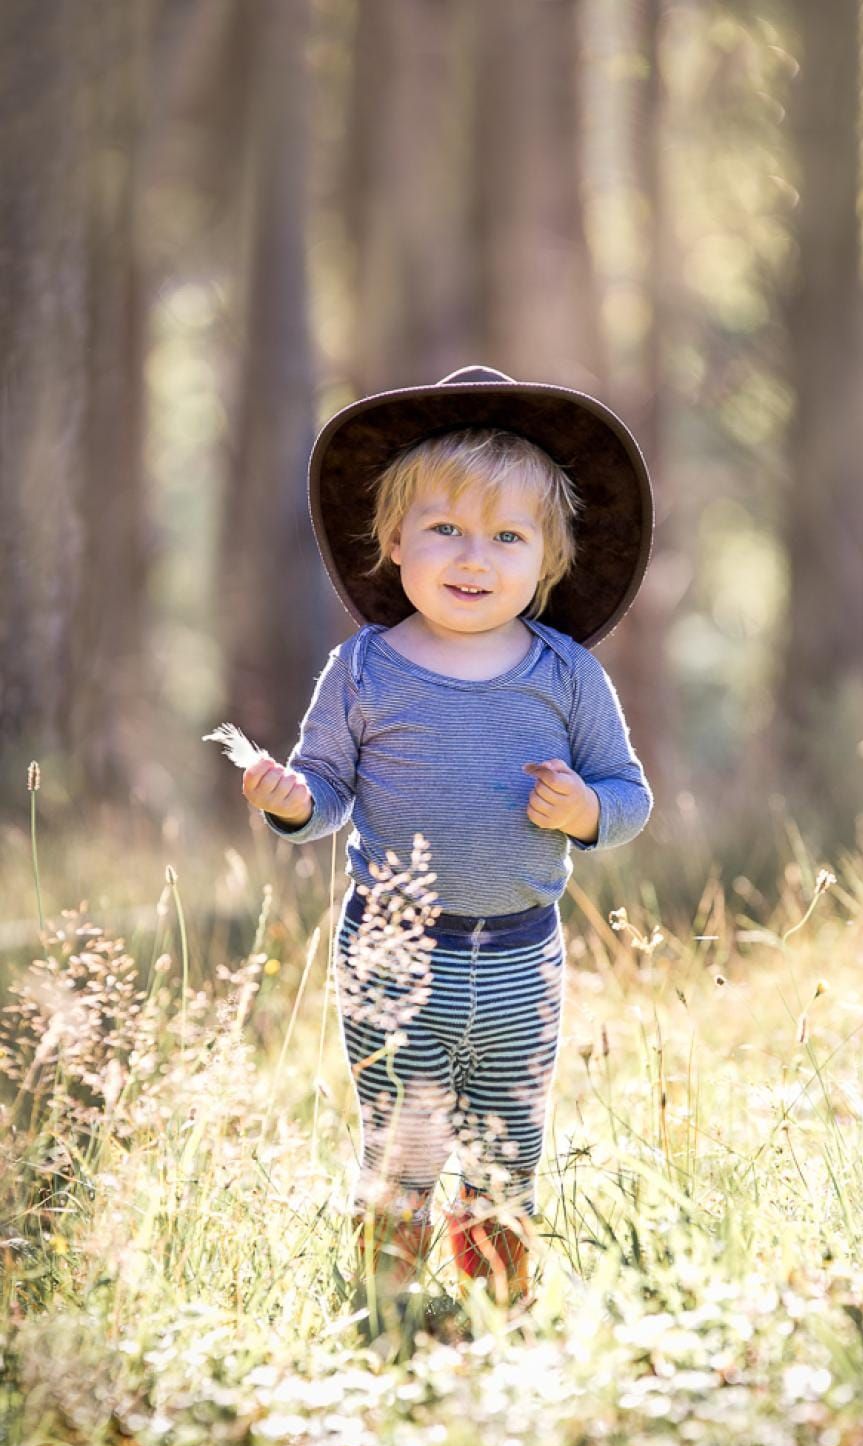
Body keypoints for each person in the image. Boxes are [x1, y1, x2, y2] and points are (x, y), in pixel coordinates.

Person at [240, 365, 654, 1313]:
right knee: (404, 1146)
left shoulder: (565, 675)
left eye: (507, 537)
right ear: (394, 541)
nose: (475, 557)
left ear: (546, 560)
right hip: (392, 953)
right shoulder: (363, 669)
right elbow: (327, 791)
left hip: (519, 957)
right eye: (445, 530)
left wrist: (583, 812)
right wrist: (292, 800)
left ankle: (497, 1316)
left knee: (508, 1150)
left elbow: (627, 795)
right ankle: (386, 1313)